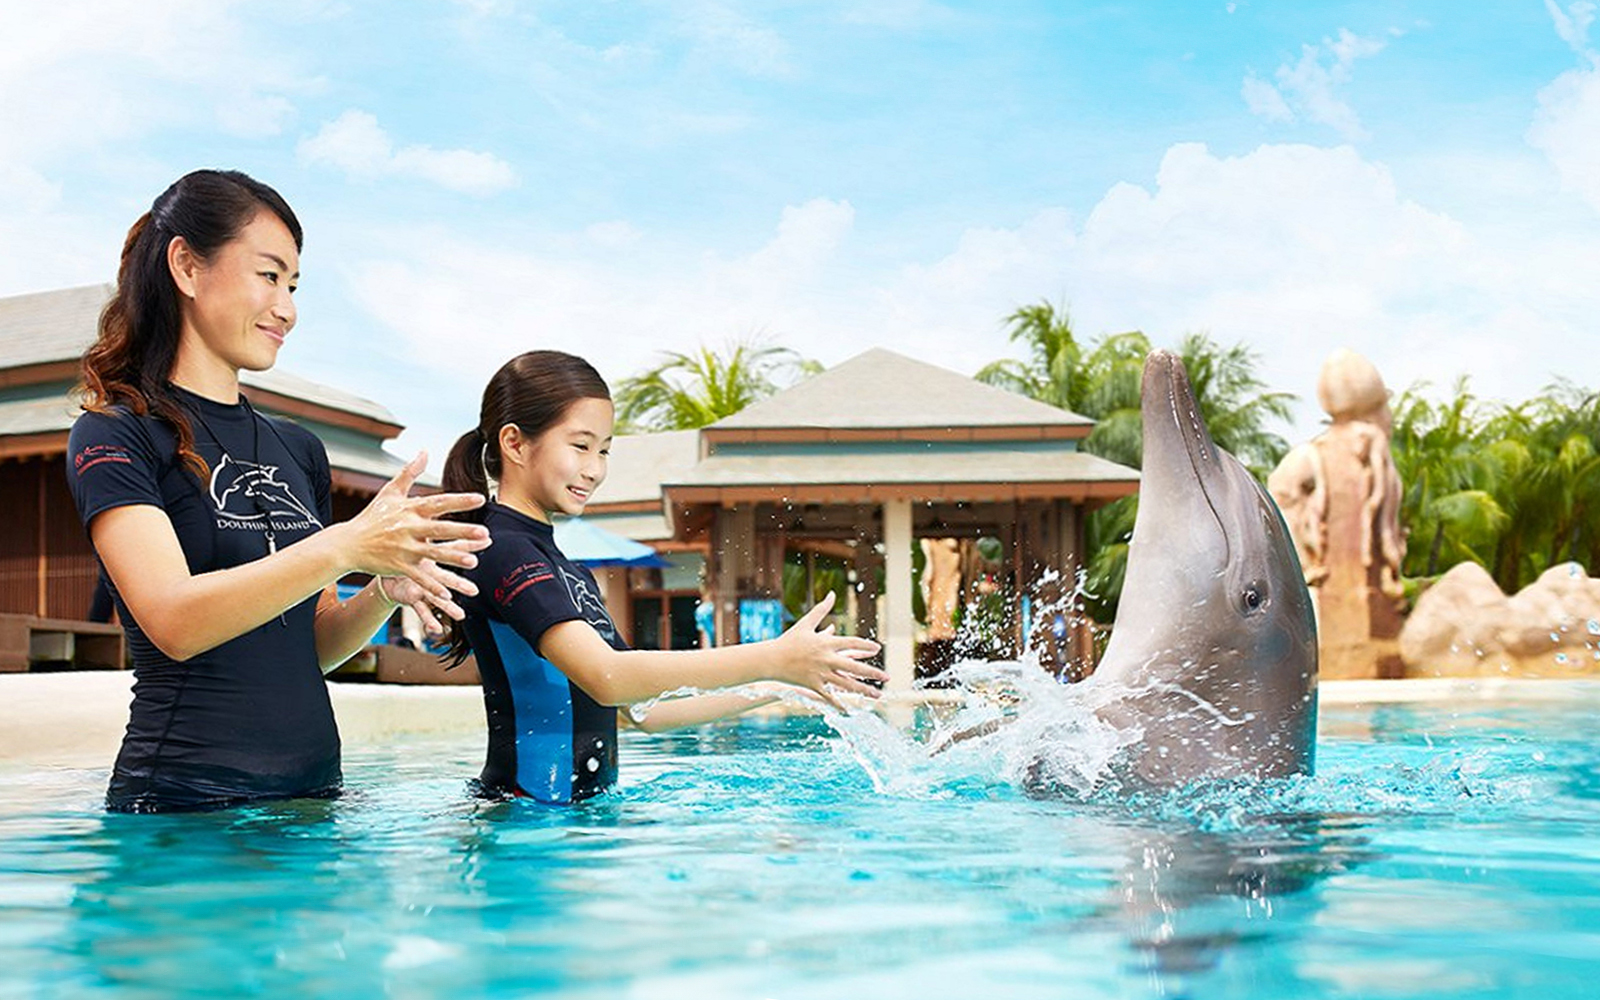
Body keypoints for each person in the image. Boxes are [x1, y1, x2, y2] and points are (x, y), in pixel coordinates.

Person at [67, 169, 492, 813]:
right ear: (186, 265)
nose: (287, 308)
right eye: (269, 276)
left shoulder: (299, 449)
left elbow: (313, 646)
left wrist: (381, 588)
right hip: (185, 809)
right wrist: (346, 546)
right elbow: (174, 621)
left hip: (312, 801)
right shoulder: (117, 434)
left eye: (293, 285)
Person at [440, 351, 886, 804]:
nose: (595, 469)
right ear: (514, 443)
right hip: (520, 825)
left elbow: (640, 711)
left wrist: (778, 684)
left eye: (605, 450)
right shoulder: (499, 547)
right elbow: (607, 676)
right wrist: (772, 656)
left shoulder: (569, 572)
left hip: (571, 825)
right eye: (580, 446)